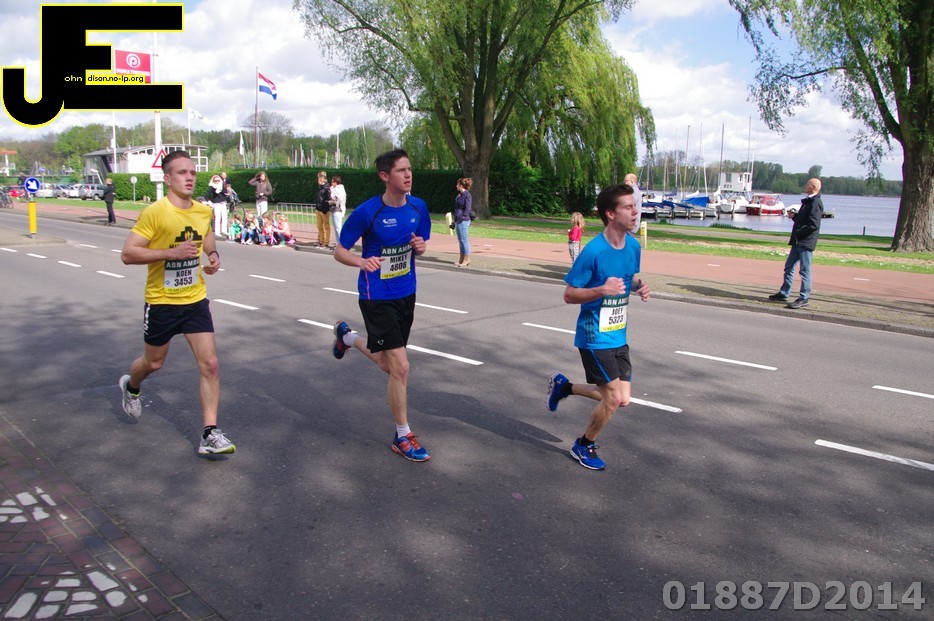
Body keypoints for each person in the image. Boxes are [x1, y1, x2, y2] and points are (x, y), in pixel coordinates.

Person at [117, 150, 236, 456]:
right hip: (161, 302)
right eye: (182, 173)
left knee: (210, 364)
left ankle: (210, 433)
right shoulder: (155, 213)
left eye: (192, 172)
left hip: (195, 300)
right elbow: (128, 254)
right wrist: (170, 253)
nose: (190, 177)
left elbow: (205, 235)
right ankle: (131, 386)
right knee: (153, 363)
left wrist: (212, 254)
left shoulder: (202, 211)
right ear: (168, 179)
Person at [331, 148, 432, 462]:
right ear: (385, 176)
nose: (408, 175)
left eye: (409, 169)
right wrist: (361, 262)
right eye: (401, 170)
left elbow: (421, 244)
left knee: (389, 366)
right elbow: (339, 251)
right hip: (376, 296)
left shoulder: (418, 207)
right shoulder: (368, 212)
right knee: (401, 367)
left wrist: (421, 247)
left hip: (406, 293)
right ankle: (403, 435)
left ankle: (348, 338)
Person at [546, 183, 651, 471]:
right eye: (628, 207)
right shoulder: (593, 252)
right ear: (610, 213)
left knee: (623, 399)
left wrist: (639, 286)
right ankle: (583, 445)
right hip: (594, 337)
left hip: (618, 335)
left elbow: (627, 279)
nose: (635, 212)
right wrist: (601, 290)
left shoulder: (633, 246)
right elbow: (569, 295)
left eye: (635, 206)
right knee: (613, 399)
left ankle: (564, 387)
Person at [768, 177, 824, 309]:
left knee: (804, 270)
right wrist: (795, 217)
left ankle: (804, 297)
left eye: (808, 184)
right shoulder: (808, 201)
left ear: (813, 187)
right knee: (789, 267)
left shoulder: (816, 202)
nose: (805, 186)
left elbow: (813, 225)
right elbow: (804, 220)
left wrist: (799, 233)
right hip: (797, 242)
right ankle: (784, 292)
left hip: (805, 242)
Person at [453, 177, 473, 267]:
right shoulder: (459, 195)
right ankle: (461, 259)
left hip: (463, 221)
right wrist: (455, 220)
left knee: (464, 240)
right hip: (458, 220)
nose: (456, 186)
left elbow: (467, 209)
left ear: (461, 185)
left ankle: (466, 259)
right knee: (460, 240)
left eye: (457, 184)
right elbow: (457, 208)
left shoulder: (467, 195)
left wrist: (462, 218)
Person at [205, 174, 228, 238]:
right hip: (217, 203)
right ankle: (217, 232)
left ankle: (224, 230)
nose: (217, 182)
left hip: (223, 202)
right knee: (218, 217)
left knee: (224, 217)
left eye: (218, 180)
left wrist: (221, 190)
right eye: (216, 181)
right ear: (213, 181)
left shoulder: (221, 186)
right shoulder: (212, 187)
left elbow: (225, 191)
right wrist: (209, 201)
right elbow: (206, 195)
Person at [315, 170, 332, 247]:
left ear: (321, 179)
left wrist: (324, 209)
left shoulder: (327, 188)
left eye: (318, 178)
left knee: (326, 226)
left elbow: (327, 200)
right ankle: (321, 241)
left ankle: (326, 242)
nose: (317, 180)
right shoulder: (320, 188)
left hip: (324, 210)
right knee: (319, 226)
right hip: (318, 209)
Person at [329, 175, 347, 247]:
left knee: (338, 228)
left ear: (336, 182)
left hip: (338, 210)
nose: (331, 183)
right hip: (333, 210)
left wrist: (333, 190)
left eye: (332, 182)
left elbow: (340, 198)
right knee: (336, 228)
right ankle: (338, 243)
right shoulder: (334, 189)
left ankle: (342, 244)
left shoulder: (340, 189)